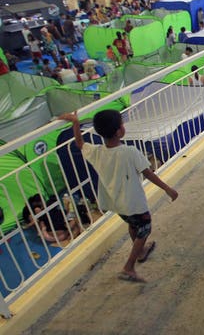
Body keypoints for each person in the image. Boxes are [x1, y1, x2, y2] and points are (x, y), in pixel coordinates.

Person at [58, 110, 178, 282]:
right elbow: (149, 173)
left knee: (133, 225)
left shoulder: (97, 151)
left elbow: (79, 143)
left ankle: (141, 252)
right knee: (145, 229)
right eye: (122, 124)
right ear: (119, 131)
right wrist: (168, 189)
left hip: (116, 203)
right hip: (134, 203)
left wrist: (75, 123)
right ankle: (128, 267)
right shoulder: (130, 151)